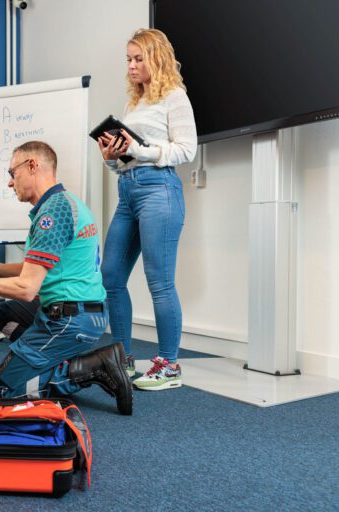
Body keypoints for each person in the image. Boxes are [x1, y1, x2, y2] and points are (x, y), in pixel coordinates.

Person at [0, 141, 132, 415]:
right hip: (80, 310)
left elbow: (26, 288)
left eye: (12, 173)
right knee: (4, 315)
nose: (11, 183)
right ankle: (45, 363)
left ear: (32, 166)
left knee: (3, 391)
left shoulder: (52, 215)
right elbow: (32, 269)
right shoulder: (64, 203)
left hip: (70, 319)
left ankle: (92, 367)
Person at [96, 28, 197, 391]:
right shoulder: (134, 103)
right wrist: (112, 158)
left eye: (138, 59)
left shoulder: (174, 96)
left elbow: (187, 150)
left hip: (159, 191)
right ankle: (122, 359)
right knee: (110, 277)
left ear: (157, 59)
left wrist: (143, 150)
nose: (132, 65)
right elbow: (126, 161)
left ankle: (169, 365)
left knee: (160, 282)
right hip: (129, 191)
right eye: (129, 59)